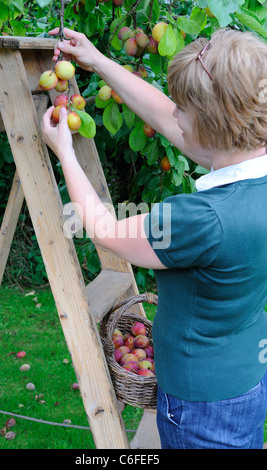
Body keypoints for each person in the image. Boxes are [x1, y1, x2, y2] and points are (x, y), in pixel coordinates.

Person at [41, 26, 267, 449]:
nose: (175, 115)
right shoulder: (257, 167)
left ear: (214, 123)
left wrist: (65, 153)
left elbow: (105, 231)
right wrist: (99, 61)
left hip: (198, 403)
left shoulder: (203, 220)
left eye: (183, 107)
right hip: (246, 382)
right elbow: (167, 120)